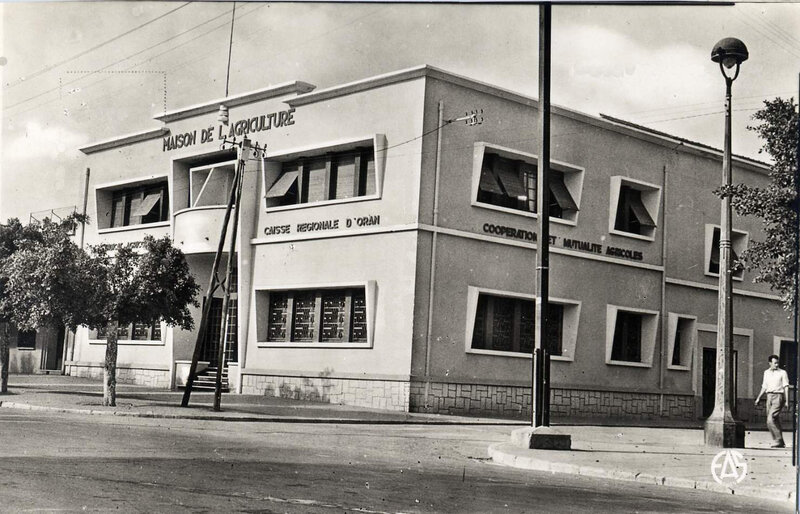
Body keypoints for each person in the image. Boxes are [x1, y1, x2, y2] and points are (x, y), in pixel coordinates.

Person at [754, 354, 790, 448]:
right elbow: (764, 386)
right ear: (770, 363)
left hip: (779, 396)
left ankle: (777, 440)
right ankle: (780, 441)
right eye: (775, 363)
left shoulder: (783, 372)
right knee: (773, 420)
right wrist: (758, 398)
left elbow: (786, 387)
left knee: (771, 419)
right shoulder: (766, 372)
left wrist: (787, 400)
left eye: (778, 363)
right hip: (769, 396)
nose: (777, 365)